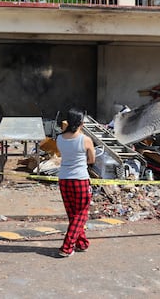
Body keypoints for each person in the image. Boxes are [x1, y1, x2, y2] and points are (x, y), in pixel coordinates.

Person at [56, 107, 95, 257]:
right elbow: (92, 160)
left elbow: (61, 154)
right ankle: (67, 247)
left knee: (73, 214)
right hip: (80, 179)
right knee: (81, 214)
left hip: (64, 179)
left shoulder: (59, 138)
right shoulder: (85, 139)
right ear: (81, 123)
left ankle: (82, 243)